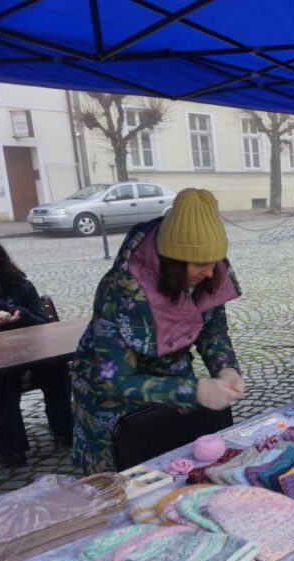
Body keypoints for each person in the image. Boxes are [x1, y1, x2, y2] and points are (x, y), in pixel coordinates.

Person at [71, 188, 245, 473]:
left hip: (174, 387)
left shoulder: (209, 270)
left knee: (181, 469)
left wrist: (226, 369)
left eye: (215, 260)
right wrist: (194, 392)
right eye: (201, 264)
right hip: (113, 407)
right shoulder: (121, 290)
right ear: (173, 260)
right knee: (126, 488)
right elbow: (113, 379)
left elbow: (213, 333)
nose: (211, 272)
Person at [0, 238, 73, 468]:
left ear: (0, 256)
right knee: (2, 378)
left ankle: (64, 428)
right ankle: (9, 447)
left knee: (55, 367)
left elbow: (45, 324)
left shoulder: (19, 286)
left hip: (30, 355)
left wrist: (24, 315)